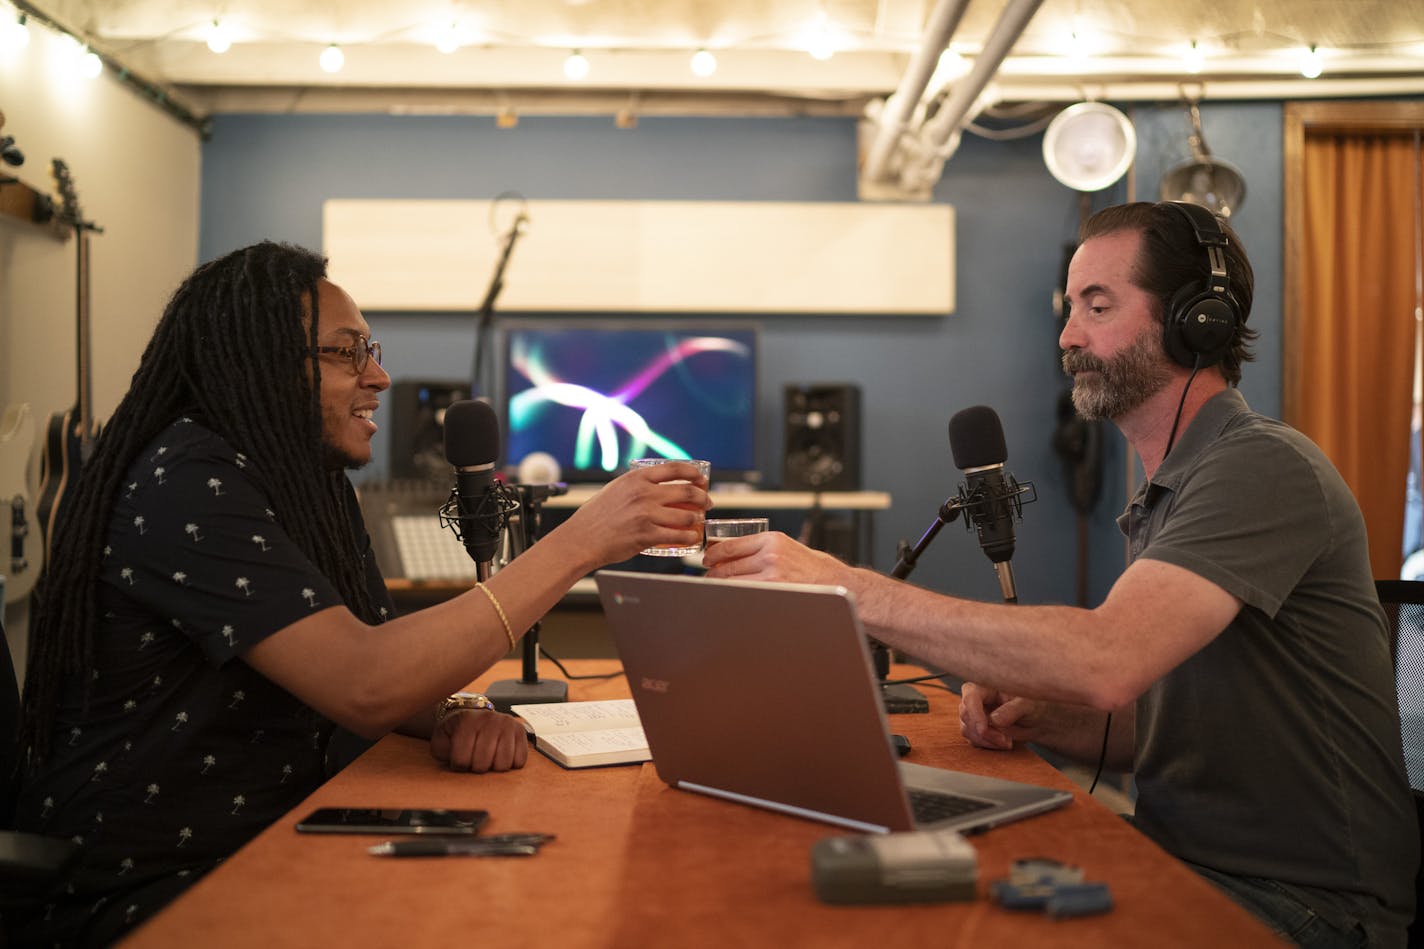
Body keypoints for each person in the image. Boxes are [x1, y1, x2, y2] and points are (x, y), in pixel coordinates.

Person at [705, 201, 1417, 948]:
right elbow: (1186, 724)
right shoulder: (1171, 489)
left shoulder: (1261, 466)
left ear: (1194, 321)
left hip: (1306, 907)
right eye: (1069, 307)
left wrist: (845, 588)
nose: (1068, 336)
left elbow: (1108, 660)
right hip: (1189, 861)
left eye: (1098, 306)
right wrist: (1047, 715)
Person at [9, 241, 711, 946]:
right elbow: (365, 683)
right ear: (260, 363)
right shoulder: (187, 481)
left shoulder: (305, 480)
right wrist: (581, 540)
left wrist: (449, 712)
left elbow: (386, 669)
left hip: (284, 842)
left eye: (370, 350)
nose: (379, 375)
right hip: (163, 890)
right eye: (347, 353)